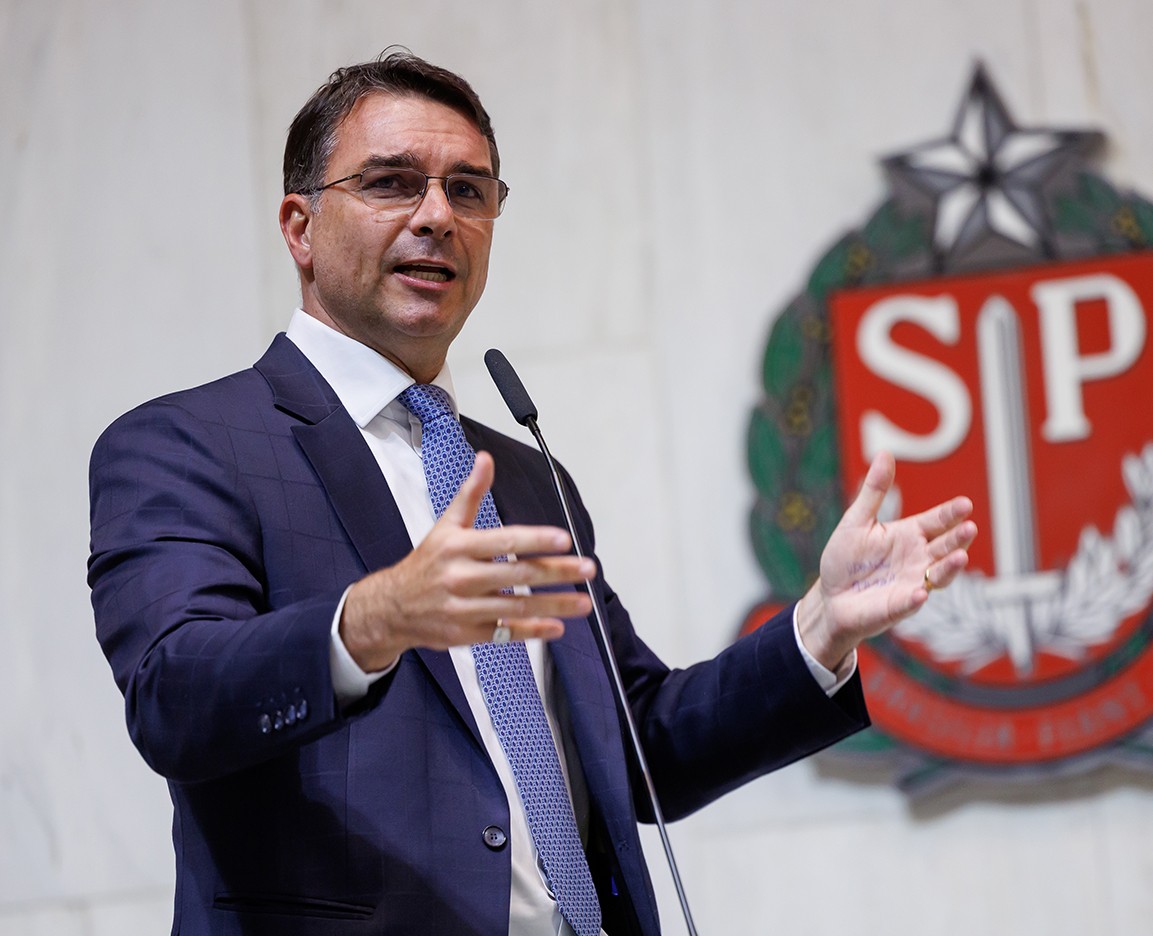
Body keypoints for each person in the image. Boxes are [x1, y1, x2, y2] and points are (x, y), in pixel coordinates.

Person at [88, 50, 976, 936]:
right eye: (391, 183)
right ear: (300, 226)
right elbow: (173, 698)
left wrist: (818, 626)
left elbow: (639, 748)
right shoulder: (186, 445)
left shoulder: (521, 474)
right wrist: (374, 618)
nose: (437, 216)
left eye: (468, 191)